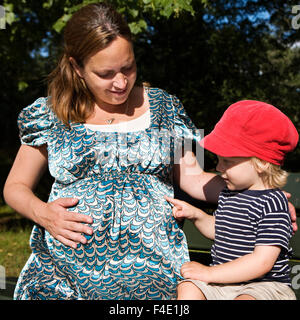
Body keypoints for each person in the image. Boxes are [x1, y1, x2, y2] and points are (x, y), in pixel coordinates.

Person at [3, 3, 225, 300]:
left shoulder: (166, 107)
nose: (120, 83)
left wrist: (260, 194)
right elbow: (15, 187)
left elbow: (194, 177)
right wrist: (43, 214)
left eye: (128, 68)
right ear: (77, 67)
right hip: (63, 276)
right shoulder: (50, 113)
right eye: (106, 74)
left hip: (153, 272)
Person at [165, 100, 298, 300]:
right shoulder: (230, 193)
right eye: (219, 160)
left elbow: (262, 262)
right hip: (223, 283)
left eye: (227, 161)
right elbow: (220, 229)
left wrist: (209, 273)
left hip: (263, 287)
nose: (218, 168)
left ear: (260, 163)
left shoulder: (273, 202)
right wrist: (197, 215)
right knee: (188, 288)